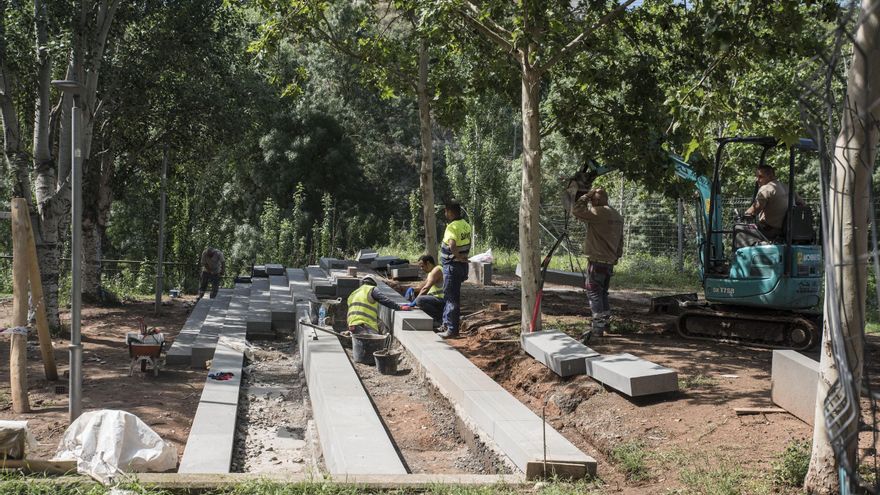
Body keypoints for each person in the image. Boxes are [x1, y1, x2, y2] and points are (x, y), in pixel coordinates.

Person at [572, 188, 624, 341]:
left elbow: (576, 210)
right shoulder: (617, 215)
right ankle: (606, 323)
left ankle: (598, 328)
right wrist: (616, 256)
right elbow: (620, 240)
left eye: (592, 200)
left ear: (596, 201)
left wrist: (585, 196)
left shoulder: (598, 213)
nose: (591, 204)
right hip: (609, 262)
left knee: (594, 292)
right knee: (603, 293)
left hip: (596, 261)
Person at [438, 200, 471, 339]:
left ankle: (451, 330)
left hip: (452, 266)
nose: (445, 214)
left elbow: (452, 245)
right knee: (452, 296)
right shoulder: (466, 225)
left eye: (446, 211)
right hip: (461, 266)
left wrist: (457, 256)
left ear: (450, 211)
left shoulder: (452, 227)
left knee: (451, 298)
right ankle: (446, 324)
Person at [744, 164, 804, 240]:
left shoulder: (766, 188)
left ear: (770, 176)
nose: (757, 179)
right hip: (789, 231)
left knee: (743, 232)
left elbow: (755, 209)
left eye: (760, 176)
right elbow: (802, 204)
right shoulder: (787, 187)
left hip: (770, 232)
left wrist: (745, 214)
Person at [347, 274, 412, 335]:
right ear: (374, 283)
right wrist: (399, 307)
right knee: (371, 344)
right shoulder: (371, 289)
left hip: (352, 325)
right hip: (365, 325)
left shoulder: (353, 293)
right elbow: (384, 300)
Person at [407, 254, 444, 327]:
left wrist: (415, 302)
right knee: (417, 296)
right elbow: (423, 285)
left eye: (422, 266)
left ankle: (438, 319)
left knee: (420, 300)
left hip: (442, 301)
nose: (421, 268)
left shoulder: (437, 270)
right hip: (436, 300)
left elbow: (426, 288)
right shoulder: (431, 272)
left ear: (428, 263)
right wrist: (412, 289)